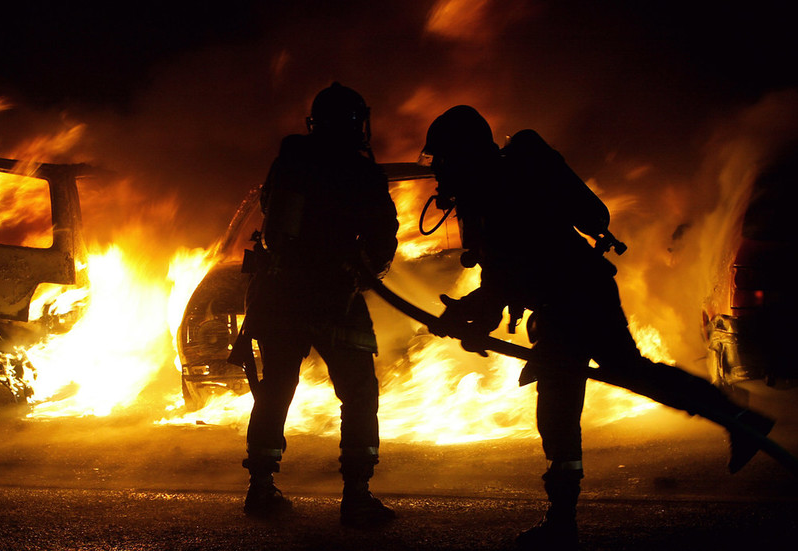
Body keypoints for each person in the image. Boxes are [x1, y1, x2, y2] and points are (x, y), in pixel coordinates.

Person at [419, 105, 775, 549]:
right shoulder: (489, 193)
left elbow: (510, 274)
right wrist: (471, 318)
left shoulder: (498, 191)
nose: (439, 171)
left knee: (560, 408)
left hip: (572, 299)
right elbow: (503, 277)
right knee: (628, 373)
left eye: (444, 158)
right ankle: (738, 417)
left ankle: (562, 522)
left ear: (464, 154)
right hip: (572, 296)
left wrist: (468, 316)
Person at [235, 82, 399, 527]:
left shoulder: (289, 162)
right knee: (360, 394)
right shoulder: (362, 173)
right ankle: (358, 495)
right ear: (356, 123)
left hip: (280, 296)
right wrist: (360, 275)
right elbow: (384, 239)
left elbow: (273, 221)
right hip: (335, 300)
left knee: (275, 391)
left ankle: (261, 490)